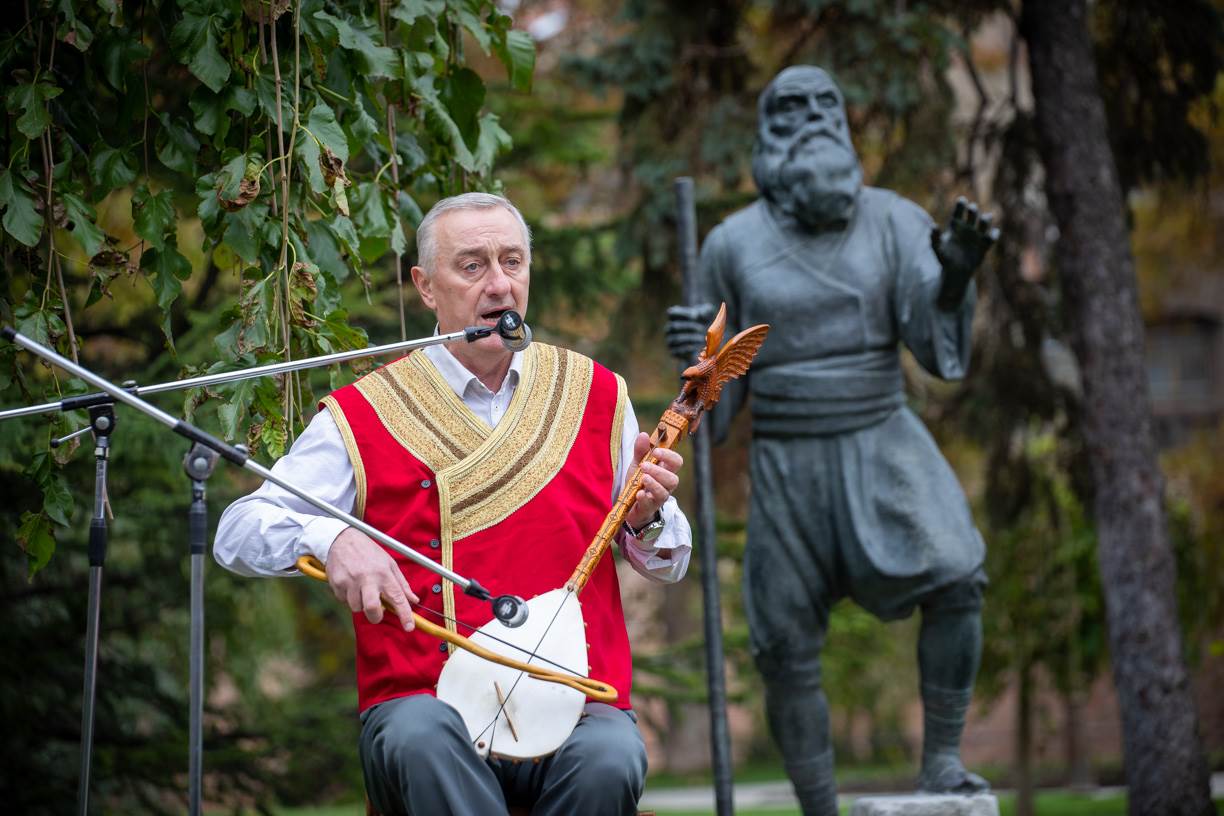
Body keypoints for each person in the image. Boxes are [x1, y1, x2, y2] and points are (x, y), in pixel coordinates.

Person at [216, 192, 692, 816]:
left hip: (574, 702)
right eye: (472, 266)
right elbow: (238, 529)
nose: (499, 285)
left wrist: (645, 517)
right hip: (426, 707)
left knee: (611, 757)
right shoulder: (365, 410)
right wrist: (329, 539)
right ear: (426, 287)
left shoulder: (597, 393)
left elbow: (669, 561)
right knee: (421, 740)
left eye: (512, 262)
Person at [666, 66, 999, 814]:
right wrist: (696, 361)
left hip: (882, 438)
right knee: (782, 647)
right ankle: (818, 807)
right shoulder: (732, 244)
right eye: (792, 107)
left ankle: (943, 764)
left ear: (844, 122)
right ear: (768, 128)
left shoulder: (893, 220)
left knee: (957, 575)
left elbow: (933, 340)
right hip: (787, 457)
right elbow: (715, 398)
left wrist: (954, 277)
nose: (813, 118)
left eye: (826, 105)